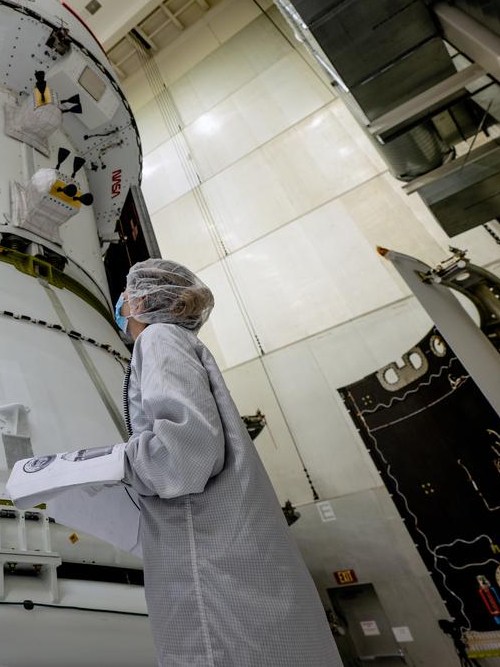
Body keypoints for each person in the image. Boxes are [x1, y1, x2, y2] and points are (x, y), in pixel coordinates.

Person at [116, 258, 340, 667]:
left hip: (211, 570)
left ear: (142, 299)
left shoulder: (159, 340)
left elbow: (183, 456)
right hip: (229, 561)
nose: (121, 304)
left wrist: (114, 464)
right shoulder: (180, 344)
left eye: (126, 296)